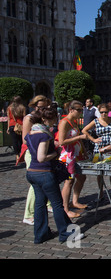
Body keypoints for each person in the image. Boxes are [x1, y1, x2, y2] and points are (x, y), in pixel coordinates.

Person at [25, 107, 83, 244]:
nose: (55, 122)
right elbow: (41, 157)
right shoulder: (44, 135)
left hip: (32, 173)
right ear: (46, 119)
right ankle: (66, 233)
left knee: (40, 204)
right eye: (53, 119)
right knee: (57, 204)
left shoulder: (30, 133)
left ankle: (40, 235)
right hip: (44, 173)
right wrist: (56, 153)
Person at [82, 103, 111, 199]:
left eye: (105, 112)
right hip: (99, 148)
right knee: (100, 171)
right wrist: (93, 139)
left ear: (108, 112)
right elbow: (84, 130)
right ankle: (101, 191)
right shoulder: (96, 121)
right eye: (101, 112)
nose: (103, 114)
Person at [22, 95, 52, 226]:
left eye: (46, 106)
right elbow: (25, 139)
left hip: (44, 151)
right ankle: (28, 214)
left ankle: (47, 203)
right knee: (35, 184)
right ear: (34, 106)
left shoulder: (43, 117)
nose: (44, 109)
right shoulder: (29, 118)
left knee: (47, 179)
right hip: (32, 153)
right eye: (41, 107)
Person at [58, 100, 88, 218]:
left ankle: (75, 201)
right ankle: (65, 209)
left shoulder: (74, 122)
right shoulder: (64, 122)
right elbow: (61, 142)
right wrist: (79, 137)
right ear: (71, 110)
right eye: (79, 110)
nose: (81, 112)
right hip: (68, 155)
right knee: (69, 181)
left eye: (82, 110)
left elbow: (79, 139)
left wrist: (84, 151)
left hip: (77, 153)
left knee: (81, 177)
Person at [7, 96, 26, 162]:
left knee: (14, 141)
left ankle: (17, 155)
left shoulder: (9, 108)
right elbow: (24, 118)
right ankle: (21, 153)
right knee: (20, 141)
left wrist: (8, 128)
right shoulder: (22, 108)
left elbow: (9, 118)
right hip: (21, 125)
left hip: (12, 125)